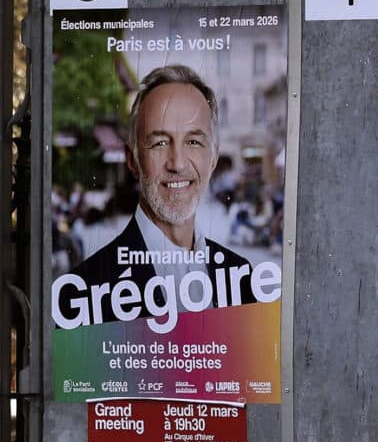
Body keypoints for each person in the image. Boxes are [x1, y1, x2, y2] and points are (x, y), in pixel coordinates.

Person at [64, 65, 256, 296]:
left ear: (213, 158)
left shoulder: (242, 277)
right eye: (160, 143)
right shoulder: (85, 290)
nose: (177, 164)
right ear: (132, 159)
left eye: (193, 142)